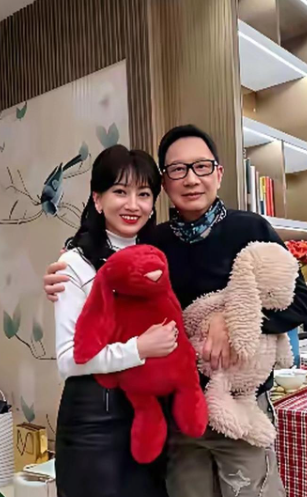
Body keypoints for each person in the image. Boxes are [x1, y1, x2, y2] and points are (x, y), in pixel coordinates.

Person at [44, 126, 307, 497]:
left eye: (201, 167)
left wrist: (234, 321)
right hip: (176, 416)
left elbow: (302, 304)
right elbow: (110, 279)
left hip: (240, 408)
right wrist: (69, 266)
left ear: (219, 173)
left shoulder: (250, 228)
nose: (190, 179)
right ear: (166, 182)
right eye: (177, 169)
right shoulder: (154, 242)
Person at [53, 144, 174, 497]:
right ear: (97, 199)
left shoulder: (157, 258)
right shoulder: (75, 263)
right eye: (120, 191)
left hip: (150, 417)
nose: (133, 204)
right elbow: (68, 360)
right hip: (96, 423)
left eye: (144, 194)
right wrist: (140, 348)